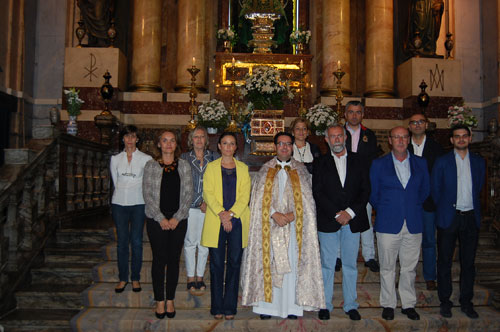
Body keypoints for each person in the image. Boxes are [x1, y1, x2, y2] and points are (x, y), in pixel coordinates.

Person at [241, 132, 325, 319]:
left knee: (292, 267)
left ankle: (292, 307)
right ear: (275, 146)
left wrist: (293, 215)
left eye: (288, 144)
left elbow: (309, 201)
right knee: (269, 265)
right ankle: (266, 308)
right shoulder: (265, 169)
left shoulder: (301, 170)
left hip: (294, 228)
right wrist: (273, 214)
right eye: (281, 144)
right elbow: (257, 200)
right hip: (269, 227)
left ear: (292, 147)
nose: (285, 147)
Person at [370, 126, 430, 321]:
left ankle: (408, 303)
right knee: (387, 267)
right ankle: (388, 303)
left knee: (409, 268)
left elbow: (424, 191)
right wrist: (389, 208)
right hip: (388, 222)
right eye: (397, 137)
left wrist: (409, 206)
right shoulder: (379, 165)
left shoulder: (421, 163)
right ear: (390, 140)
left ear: (409, 139)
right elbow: (373, 194)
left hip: (413, 222)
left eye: (404, 137)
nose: (401, 141)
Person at [313, 124, 371, 321]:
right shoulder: (320, 162)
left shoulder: (360, 161)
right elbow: (317, 192)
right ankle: (325, 304)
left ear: (345, 138)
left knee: (350, 265)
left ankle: (350, 304)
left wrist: (350, 213)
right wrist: (336, 214)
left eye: (340, 136)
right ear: (326, 140)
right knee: (327, 265)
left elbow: (365, 190)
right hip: (329, 221)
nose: (337, 140)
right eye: (332, 137)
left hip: (352, 221)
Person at [432, 124, 485, 319]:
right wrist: (447, 208)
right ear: (452, 140)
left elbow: (478, 187)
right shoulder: (442, 162)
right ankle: (445, 301)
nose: (461, 139)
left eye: (464, 136)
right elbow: (436, 191)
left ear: (470, 138)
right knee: (444, 261)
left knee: (468, 263)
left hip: (470, 217)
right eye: (457, 136)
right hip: (449, 217)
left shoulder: (479, 162)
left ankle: (466, 301)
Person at [143, 129, 193, 319]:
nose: (169, 144)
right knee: (159, 259)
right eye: (165, 140)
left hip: (178, 220)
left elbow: (188, 195)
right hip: (157, 220)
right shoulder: (150, 166)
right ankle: (159, 300)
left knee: (173, 260)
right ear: (159, 144)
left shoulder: (184, 166)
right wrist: (161, 218)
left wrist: (176, 218)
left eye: (172, 140)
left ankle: (170, 299)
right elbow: (147, 195)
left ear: (176, 144)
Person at [201, 132, 251, 320]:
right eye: (225, 143)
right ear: (219, 146)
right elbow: (208, 193)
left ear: (236, 147)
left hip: (237, 221)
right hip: (216, 220)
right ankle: (217, 307)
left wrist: (230, 214)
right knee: (215, 265)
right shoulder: (211, 168)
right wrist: (222, 214)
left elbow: (245, 195)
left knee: (234, 263)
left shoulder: (243, 168)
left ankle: (230, 307)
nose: (228, 147)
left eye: (232, 144)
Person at [110, 125, 152, 293]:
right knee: (121, 242)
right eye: (127, 136)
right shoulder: (115, 159)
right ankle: (122, 278)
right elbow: (115, 181)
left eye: (133, 136)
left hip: (138, 203)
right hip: (119, 203)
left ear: (137, 139)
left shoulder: (145, 158)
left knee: (136, 241)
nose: (129, 139)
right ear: (123, 139)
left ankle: (135, 278)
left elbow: (147, 182)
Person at [180, 126, 220, 292]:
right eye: (195, 137)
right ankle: (190, 276)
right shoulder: (184, 158)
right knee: (190, 242)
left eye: (201, 137)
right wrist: (199, 201)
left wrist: (209, 203)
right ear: (191, 140)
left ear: (206, 140)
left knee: (205, 243)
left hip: (210, 208)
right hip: (190, 206)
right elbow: (184, 184)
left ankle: (200, 276)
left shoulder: (215, 158)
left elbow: (217, 184)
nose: (198, 140)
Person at [407, 113, 444, 291]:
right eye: (414, 122)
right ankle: (408, 275)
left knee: (429, 240)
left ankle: (430, 276)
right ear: (409, 126)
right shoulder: (403, 146)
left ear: (427, 124)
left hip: (429, 203)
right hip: (409, 203)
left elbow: (440, 177)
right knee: (408, 242)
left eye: (421, 121)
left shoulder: (437, 148)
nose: (417, 125)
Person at [343, 100, 380, 273]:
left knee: (365, 220)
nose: (354, 115)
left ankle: (369, 256)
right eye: (351, 112)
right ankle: (338, 256)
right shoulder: (338, 132)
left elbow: (373, 160)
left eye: (358, 112)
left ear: (363, 115)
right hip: (342, 183)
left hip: (364, 184)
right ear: (345, 114)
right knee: (340, 219)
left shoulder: (369, 135)